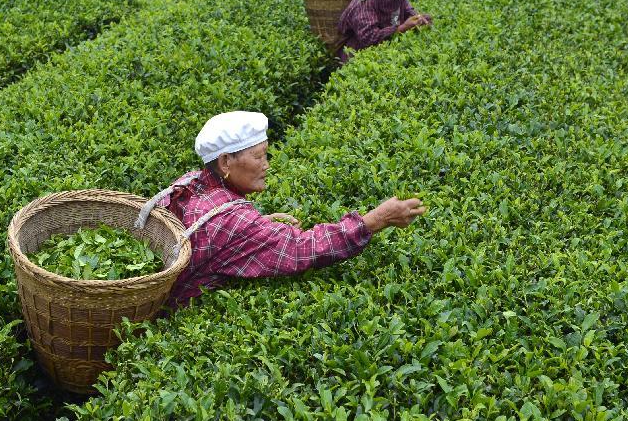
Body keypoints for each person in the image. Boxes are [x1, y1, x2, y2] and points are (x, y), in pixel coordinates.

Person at [135, 111, 425, 308]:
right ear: (225, 163)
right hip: (174, 314)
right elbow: (302, 248)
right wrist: (377, 219)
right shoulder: (233, 221)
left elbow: (212, 240)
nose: (267, 165)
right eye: (259, 157)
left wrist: (261, 226)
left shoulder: (189, 181)